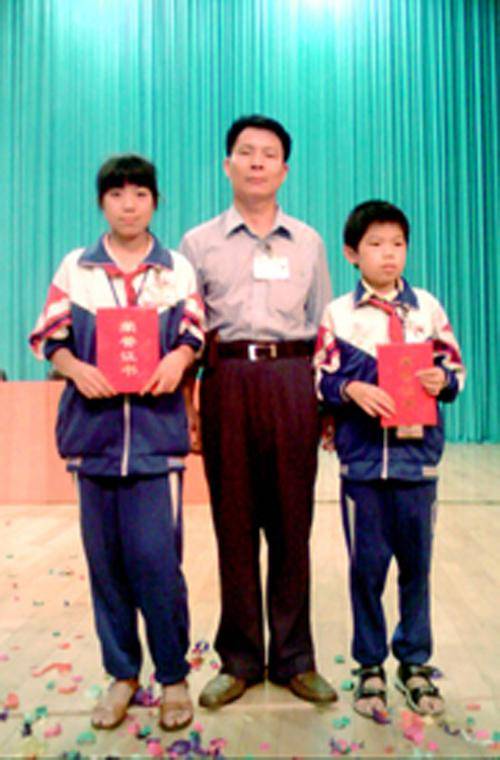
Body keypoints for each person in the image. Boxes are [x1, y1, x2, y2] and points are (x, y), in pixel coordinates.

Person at [29, 154, 204, 732]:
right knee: (105, 567)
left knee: (157, 564)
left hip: (156, 443)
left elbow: (195, 332)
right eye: (117, 195)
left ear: (156, 201)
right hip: (93, 439)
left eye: (140, 194)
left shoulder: (176, 270)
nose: (129, 205)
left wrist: (179, 358)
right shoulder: (76, 268)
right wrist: (75, 369)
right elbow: (49, 336)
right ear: (101, 203)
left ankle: (173, 676)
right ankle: (122, 675)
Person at [180, 115, 336, 708]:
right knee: (235, 523)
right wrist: (190, 405)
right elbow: (188, 332)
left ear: (284, 170)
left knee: (293, 523)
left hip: (294, 381)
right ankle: (240, 659)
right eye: (245, 153)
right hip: (227, 381)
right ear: (227, 165)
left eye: (268, 154)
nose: (256, 163)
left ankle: (295, 658)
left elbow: (324, 325)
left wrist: (324, 402)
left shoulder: (309, 241)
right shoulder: (198, 243)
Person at [314, 200, 465, 719]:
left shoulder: (428, 309)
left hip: (417, 464)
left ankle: (415, 663)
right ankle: (370, 665)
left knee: (416, 568)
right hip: (362, 466)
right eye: (375, 244)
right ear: (351, 253)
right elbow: (320, 378)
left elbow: (456, 370)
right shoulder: (338, 315)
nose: (388, 254)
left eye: (397, 244)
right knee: (367, 570)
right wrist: (350, 388)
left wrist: (442, 380)